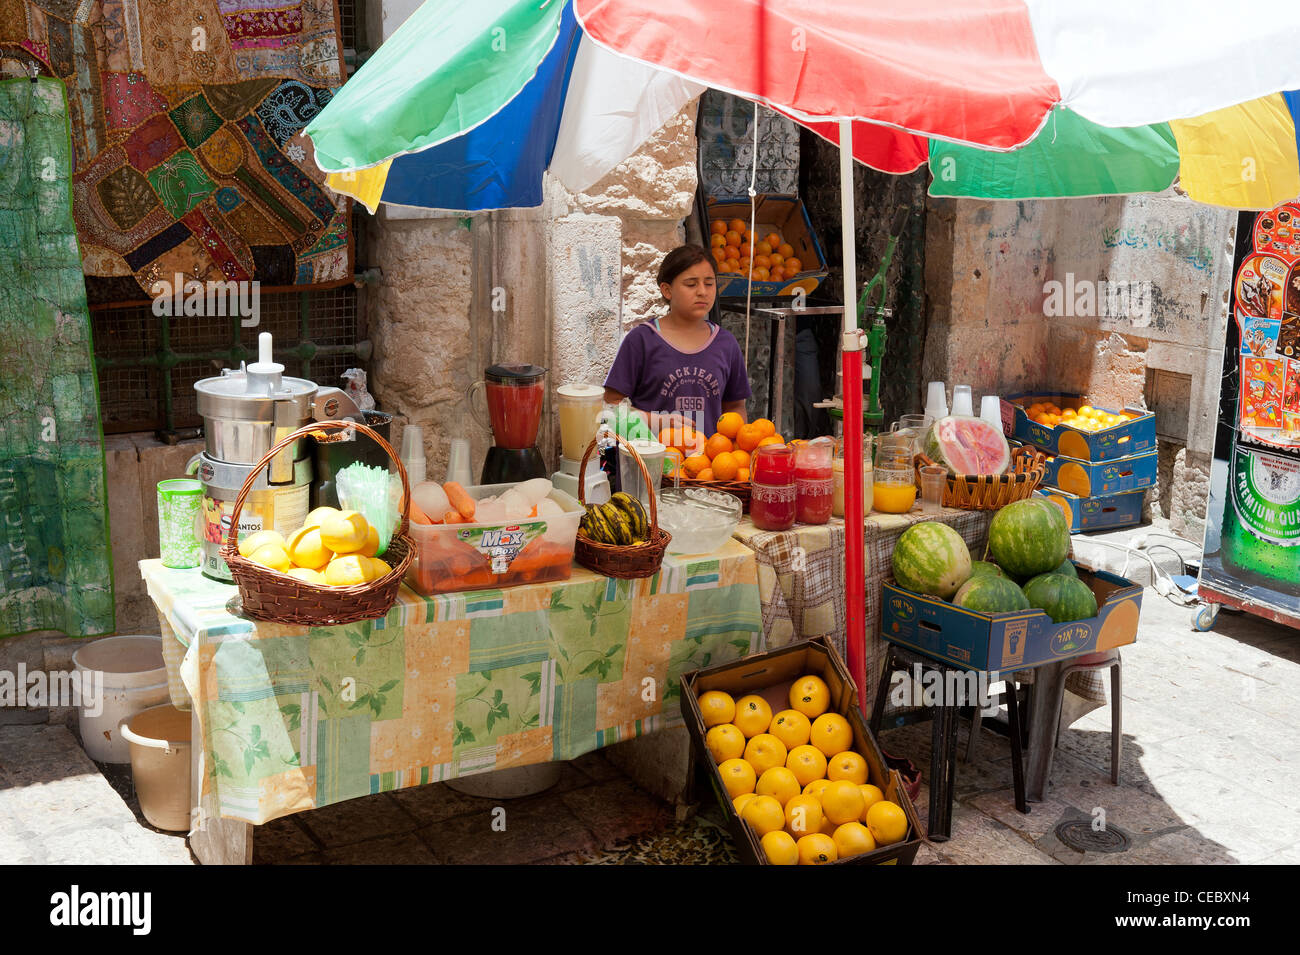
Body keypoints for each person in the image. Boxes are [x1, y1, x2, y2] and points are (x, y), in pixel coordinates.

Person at [604, 244, 751, 435]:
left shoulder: (726, 343)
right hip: (650, 459)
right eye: (691, 284)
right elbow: (611, 407)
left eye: (709, 283)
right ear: (667, 290)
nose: (702, 292)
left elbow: (736, 406)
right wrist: (656, 421)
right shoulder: (641, 340)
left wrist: (732, 444)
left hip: (709, 462)